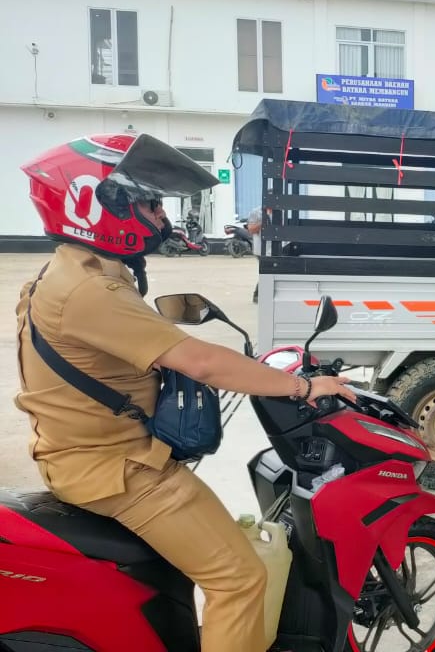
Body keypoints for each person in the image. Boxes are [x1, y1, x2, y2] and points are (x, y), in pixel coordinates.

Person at [15, 133, 357, 652]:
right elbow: (201, 362)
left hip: (87, 454)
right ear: (98, 203)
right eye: (149, 203)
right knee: (240, 578)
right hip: (119, 468)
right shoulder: (89, 290)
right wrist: (303, 385)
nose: (160, 216)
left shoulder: (70, 273)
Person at [247, 205, 263, 303]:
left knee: (271, 272)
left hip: (274, 248)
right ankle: (257, 295)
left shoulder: (279, 211)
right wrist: (263, 222)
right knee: (265, 271)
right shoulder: (256, 212)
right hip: (260, 249)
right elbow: (251, 229)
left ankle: (261, 294)